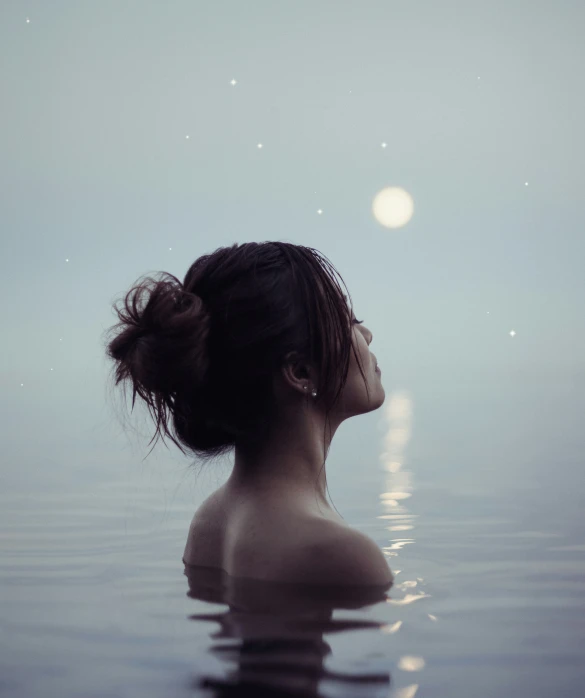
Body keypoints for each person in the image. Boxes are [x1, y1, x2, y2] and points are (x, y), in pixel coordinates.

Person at [104, 241, 392, 588]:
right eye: (347, 320)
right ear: (301, 372)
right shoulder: (339, 554)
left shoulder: (210, 523)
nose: (366, 334)